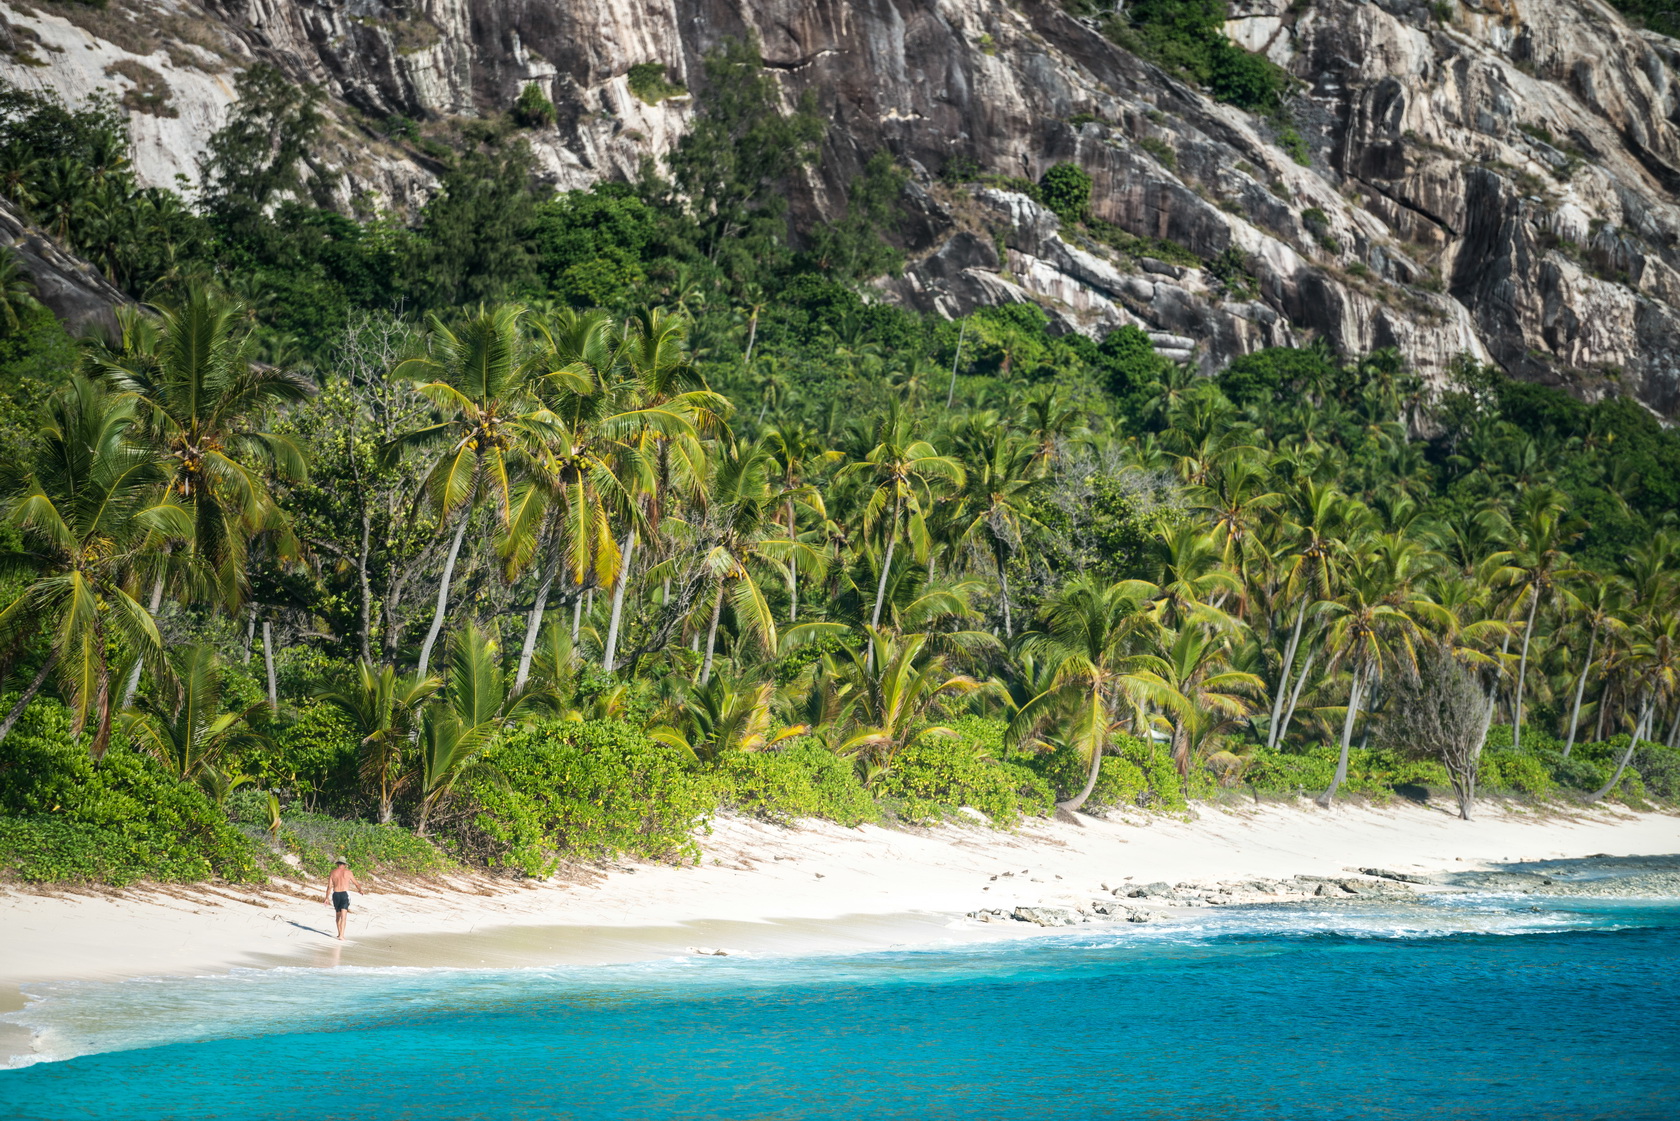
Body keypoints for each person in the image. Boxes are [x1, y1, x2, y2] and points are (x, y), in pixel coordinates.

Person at [325, 859, 362, 940]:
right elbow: (356, 883)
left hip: (336, 894)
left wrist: (326, 898)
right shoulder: (348, 872)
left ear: (337, 864)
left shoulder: (333, 872)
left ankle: (339, 934)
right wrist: (360, 890)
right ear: (344, 864)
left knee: (338, 915)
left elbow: (329, 886)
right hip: (345, 894)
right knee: (343, 916)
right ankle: (341, 936)